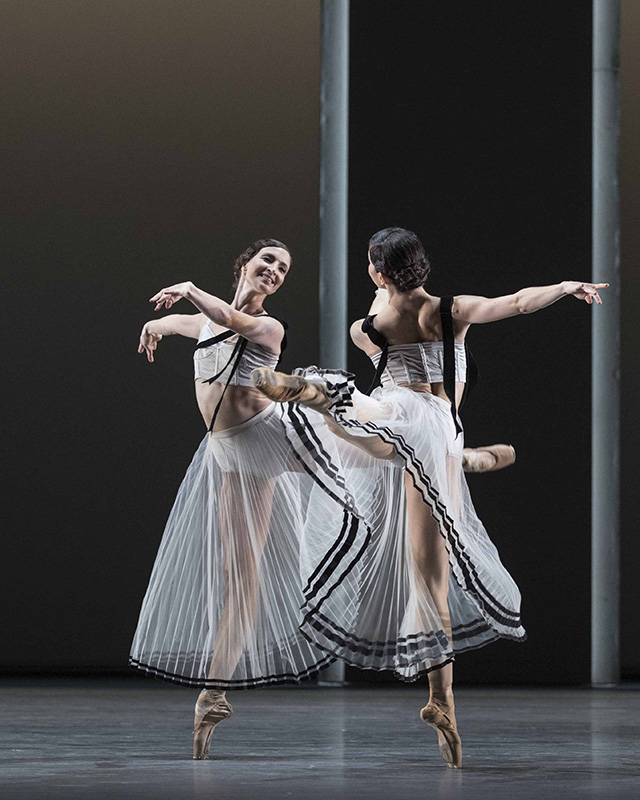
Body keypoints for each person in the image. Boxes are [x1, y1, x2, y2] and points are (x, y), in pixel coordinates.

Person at [252, 226, 608, 769]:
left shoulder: (367, 330)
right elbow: (513, 303)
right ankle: (441, 700)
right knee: (430, 576)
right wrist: (563, 286)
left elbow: (382, 305)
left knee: (358, 422)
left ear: (377, 273)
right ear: (420, 266)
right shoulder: (453, 311)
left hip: (393, 420)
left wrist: (379, 285)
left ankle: (316, 396)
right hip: (437, 431)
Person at [130, 239, 342, 759]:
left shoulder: (269, 327)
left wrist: (188, 289)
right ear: (244, 265)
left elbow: (231, 319)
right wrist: (157, 325)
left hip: (265, 441)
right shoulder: (209, 321)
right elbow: (198, 327)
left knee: (351, 472)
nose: (274, 270)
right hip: (226, 453)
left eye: (283, 268)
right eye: (267, 260)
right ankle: (215, 693)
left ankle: (410, 452)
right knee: (237, 579)